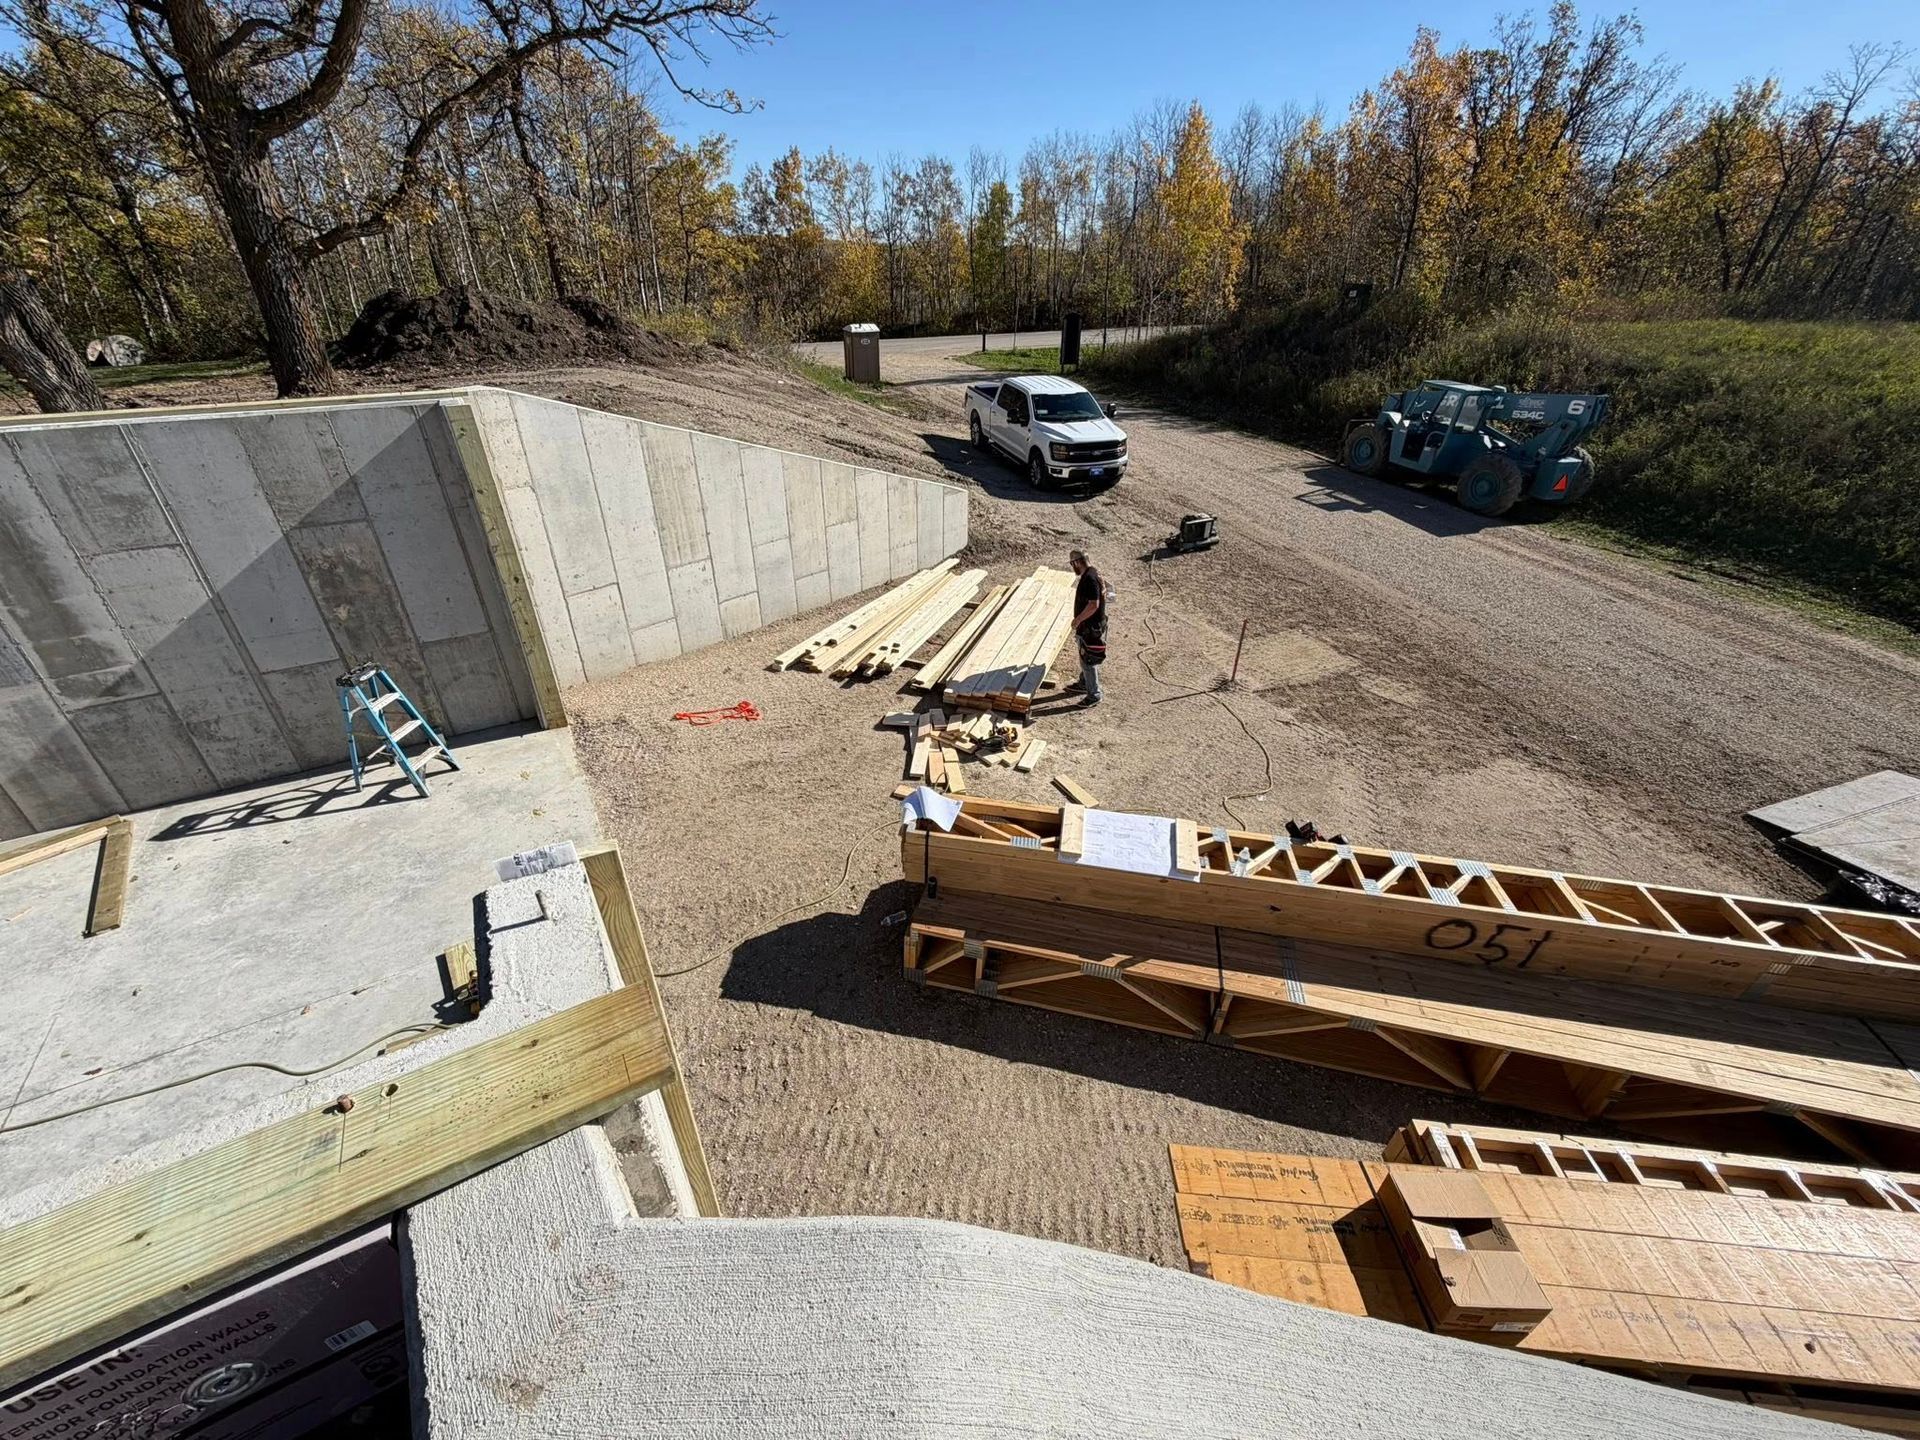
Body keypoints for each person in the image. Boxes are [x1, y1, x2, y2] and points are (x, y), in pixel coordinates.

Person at [1067, 549, 1106, 708]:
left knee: (1088, 661)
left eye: (1072, 564)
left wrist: (1077, 620)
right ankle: (1084, 683)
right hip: (1093, 625)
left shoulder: (1089, 578)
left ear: (1076, 562)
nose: (1073, 567)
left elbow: (1093, 604)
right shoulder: (1093, 573)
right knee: (1086, 657)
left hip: (1089, 627)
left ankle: (1094, 694)